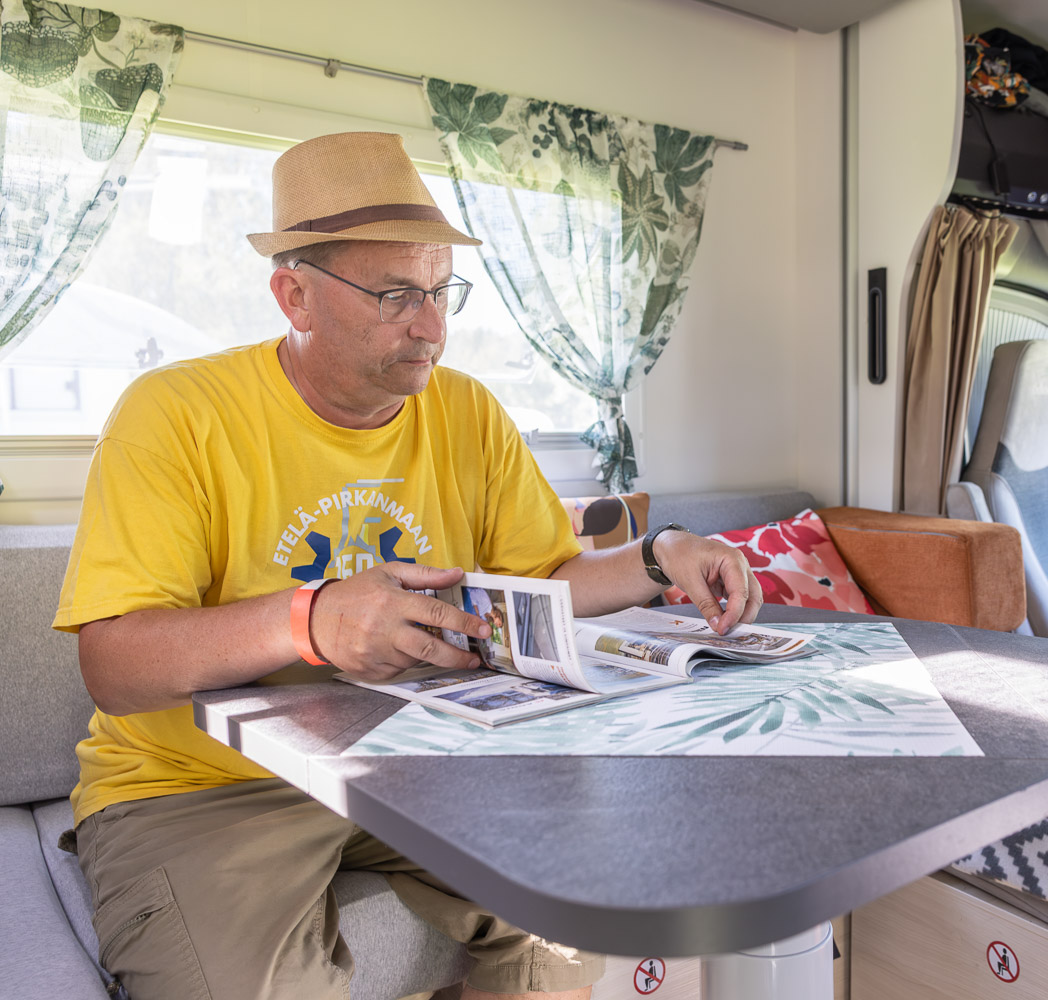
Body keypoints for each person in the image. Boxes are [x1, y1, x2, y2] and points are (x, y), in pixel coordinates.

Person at [52, 131, 762, 1000]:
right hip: (203, 785)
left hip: (424, 758)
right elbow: (114, 664)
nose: (432, 327)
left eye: (440, 290)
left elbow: (544, 581)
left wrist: (662, 554)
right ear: (294, 296)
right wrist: (312, 621)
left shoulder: (469, 412)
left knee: (566, 930)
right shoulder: (173, 414)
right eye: (395, 295)